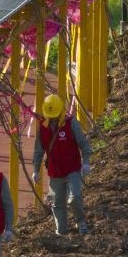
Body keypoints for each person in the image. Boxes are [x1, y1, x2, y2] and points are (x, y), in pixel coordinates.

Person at [32, 94, 92, 235]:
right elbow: (38, 151)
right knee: (57, 203)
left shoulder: (71, 123)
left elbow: (83, 144)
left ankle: (81, 221)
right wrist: (36, 170)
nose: (52, 118)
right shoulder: (43, 128)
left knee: (74, 198)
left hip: (72, 169)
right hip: (55, 172)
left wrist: (86, 162)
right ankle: (61, 231)